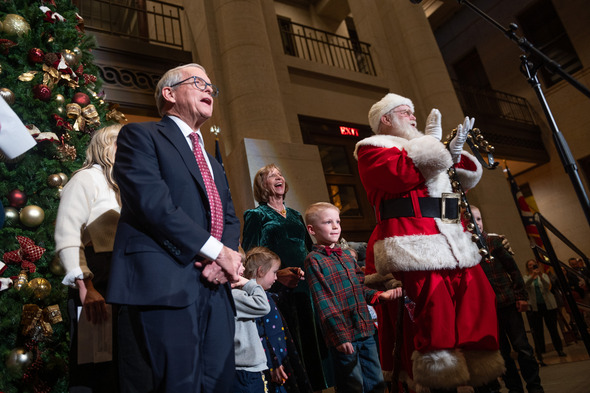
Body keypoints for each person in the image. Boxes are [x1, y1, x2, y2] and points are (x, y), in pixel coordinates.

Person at [106, 63, 242, 393]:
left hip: (216, 288)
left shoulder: (212, 160)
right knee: (179, 385)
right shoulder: (140, 136)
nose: (210, 90)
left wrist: (223, 262)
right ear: (169, 93)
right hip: (166, 283)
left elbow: (230, 217)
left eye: (213, 87)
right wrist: (217, 252)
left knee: (220, 383)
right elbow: (155, 205)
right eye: (199, 83)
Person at [355, 93, 503, 392]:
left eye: (412, 111)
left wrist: (454, 152)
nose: (413, 116)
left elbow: (466, 178)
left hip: (454, 242)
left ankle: (483, 375)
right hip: (417, 245)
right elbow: (402, 174)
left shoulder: (421, 147)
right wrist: (434, 145)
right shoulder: (373, 149)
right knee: (436, 316)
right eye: (405, 112)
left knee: (478, 302)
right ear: (386, 119)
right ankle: (440, 380)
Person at [242, 164, 331, 390]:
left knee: (313, 343)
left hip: (306, 288)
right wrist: (277, 274)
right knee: (292, 346)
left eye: (280, 174)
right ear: (262, 186)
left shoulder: (295, 215)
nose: (278, 177)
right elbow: (252, 255)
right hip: (278, 291)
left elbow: (308, 248)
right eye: (272, 176)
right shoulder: (256, 215)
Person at [303, 202, 402, 393]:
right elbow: (324, 302)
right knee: (352, 385)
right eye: (328, 222)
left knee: (376, 382)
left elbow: (360, 288)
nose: (335, 226)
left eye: (338, 222)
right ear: (311, 229)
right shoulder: (313, 260)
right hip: (344, 335)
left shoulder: (348, 256)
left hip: (364, 329)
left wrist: (382, 295)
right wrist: (340, 337)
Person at [55, 124, 122, 393]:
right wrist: (86, 288)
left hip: (123, 287)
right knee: (95, 370)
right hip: (97, 288)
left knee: (118, 370)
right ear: (106, 147)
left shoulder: (124, 186)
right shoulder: (84, 179)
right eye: (124, 144)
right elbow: (67, 235)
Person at [470, 206, 544, 393]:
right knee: (501, 353)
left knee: (522, 348)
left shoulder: (494, 242)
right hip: (488, 309)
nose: (476, 223)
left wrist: (520, 296)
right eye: (472, 219)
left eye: (479, 219)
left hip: (508, 303)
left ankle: (535, 387)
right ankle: (514, 388)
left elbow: (514, 271)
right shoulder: (466, 249)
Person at [244, 247, 313, 393]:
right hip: (270, 363)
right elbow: (261, 335)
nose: (276, 277)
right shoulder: (253, 301)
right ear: (261, 271)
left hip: (280, 359)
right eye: (274, 272)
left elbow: (279, 300)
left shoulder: (265, 295)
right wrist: (274, 362)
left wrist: (288, 286)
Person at [231, 253, 271, 392]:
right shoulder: (235, 296)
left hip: (245, 370)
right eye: (239, 264)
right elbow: (263, 306)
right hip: (245, 371)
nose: (243, 268)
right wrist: (249, 283)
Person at [524, 259, 567, 362]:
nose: (532, 266)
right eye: (530, 265)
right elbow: (526, 285)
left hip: (548, 306)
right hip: (535, 308)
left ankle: (559, 349)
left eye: (533, 264)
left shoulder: (544, 275)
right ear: (527, 267)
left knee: (553, 329)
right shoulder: (526, 277)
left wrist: (539, 276)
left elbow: (548, 286)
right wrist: (532, 276)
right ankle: (541, 353)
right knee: (538, 331)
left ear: (536, 265)